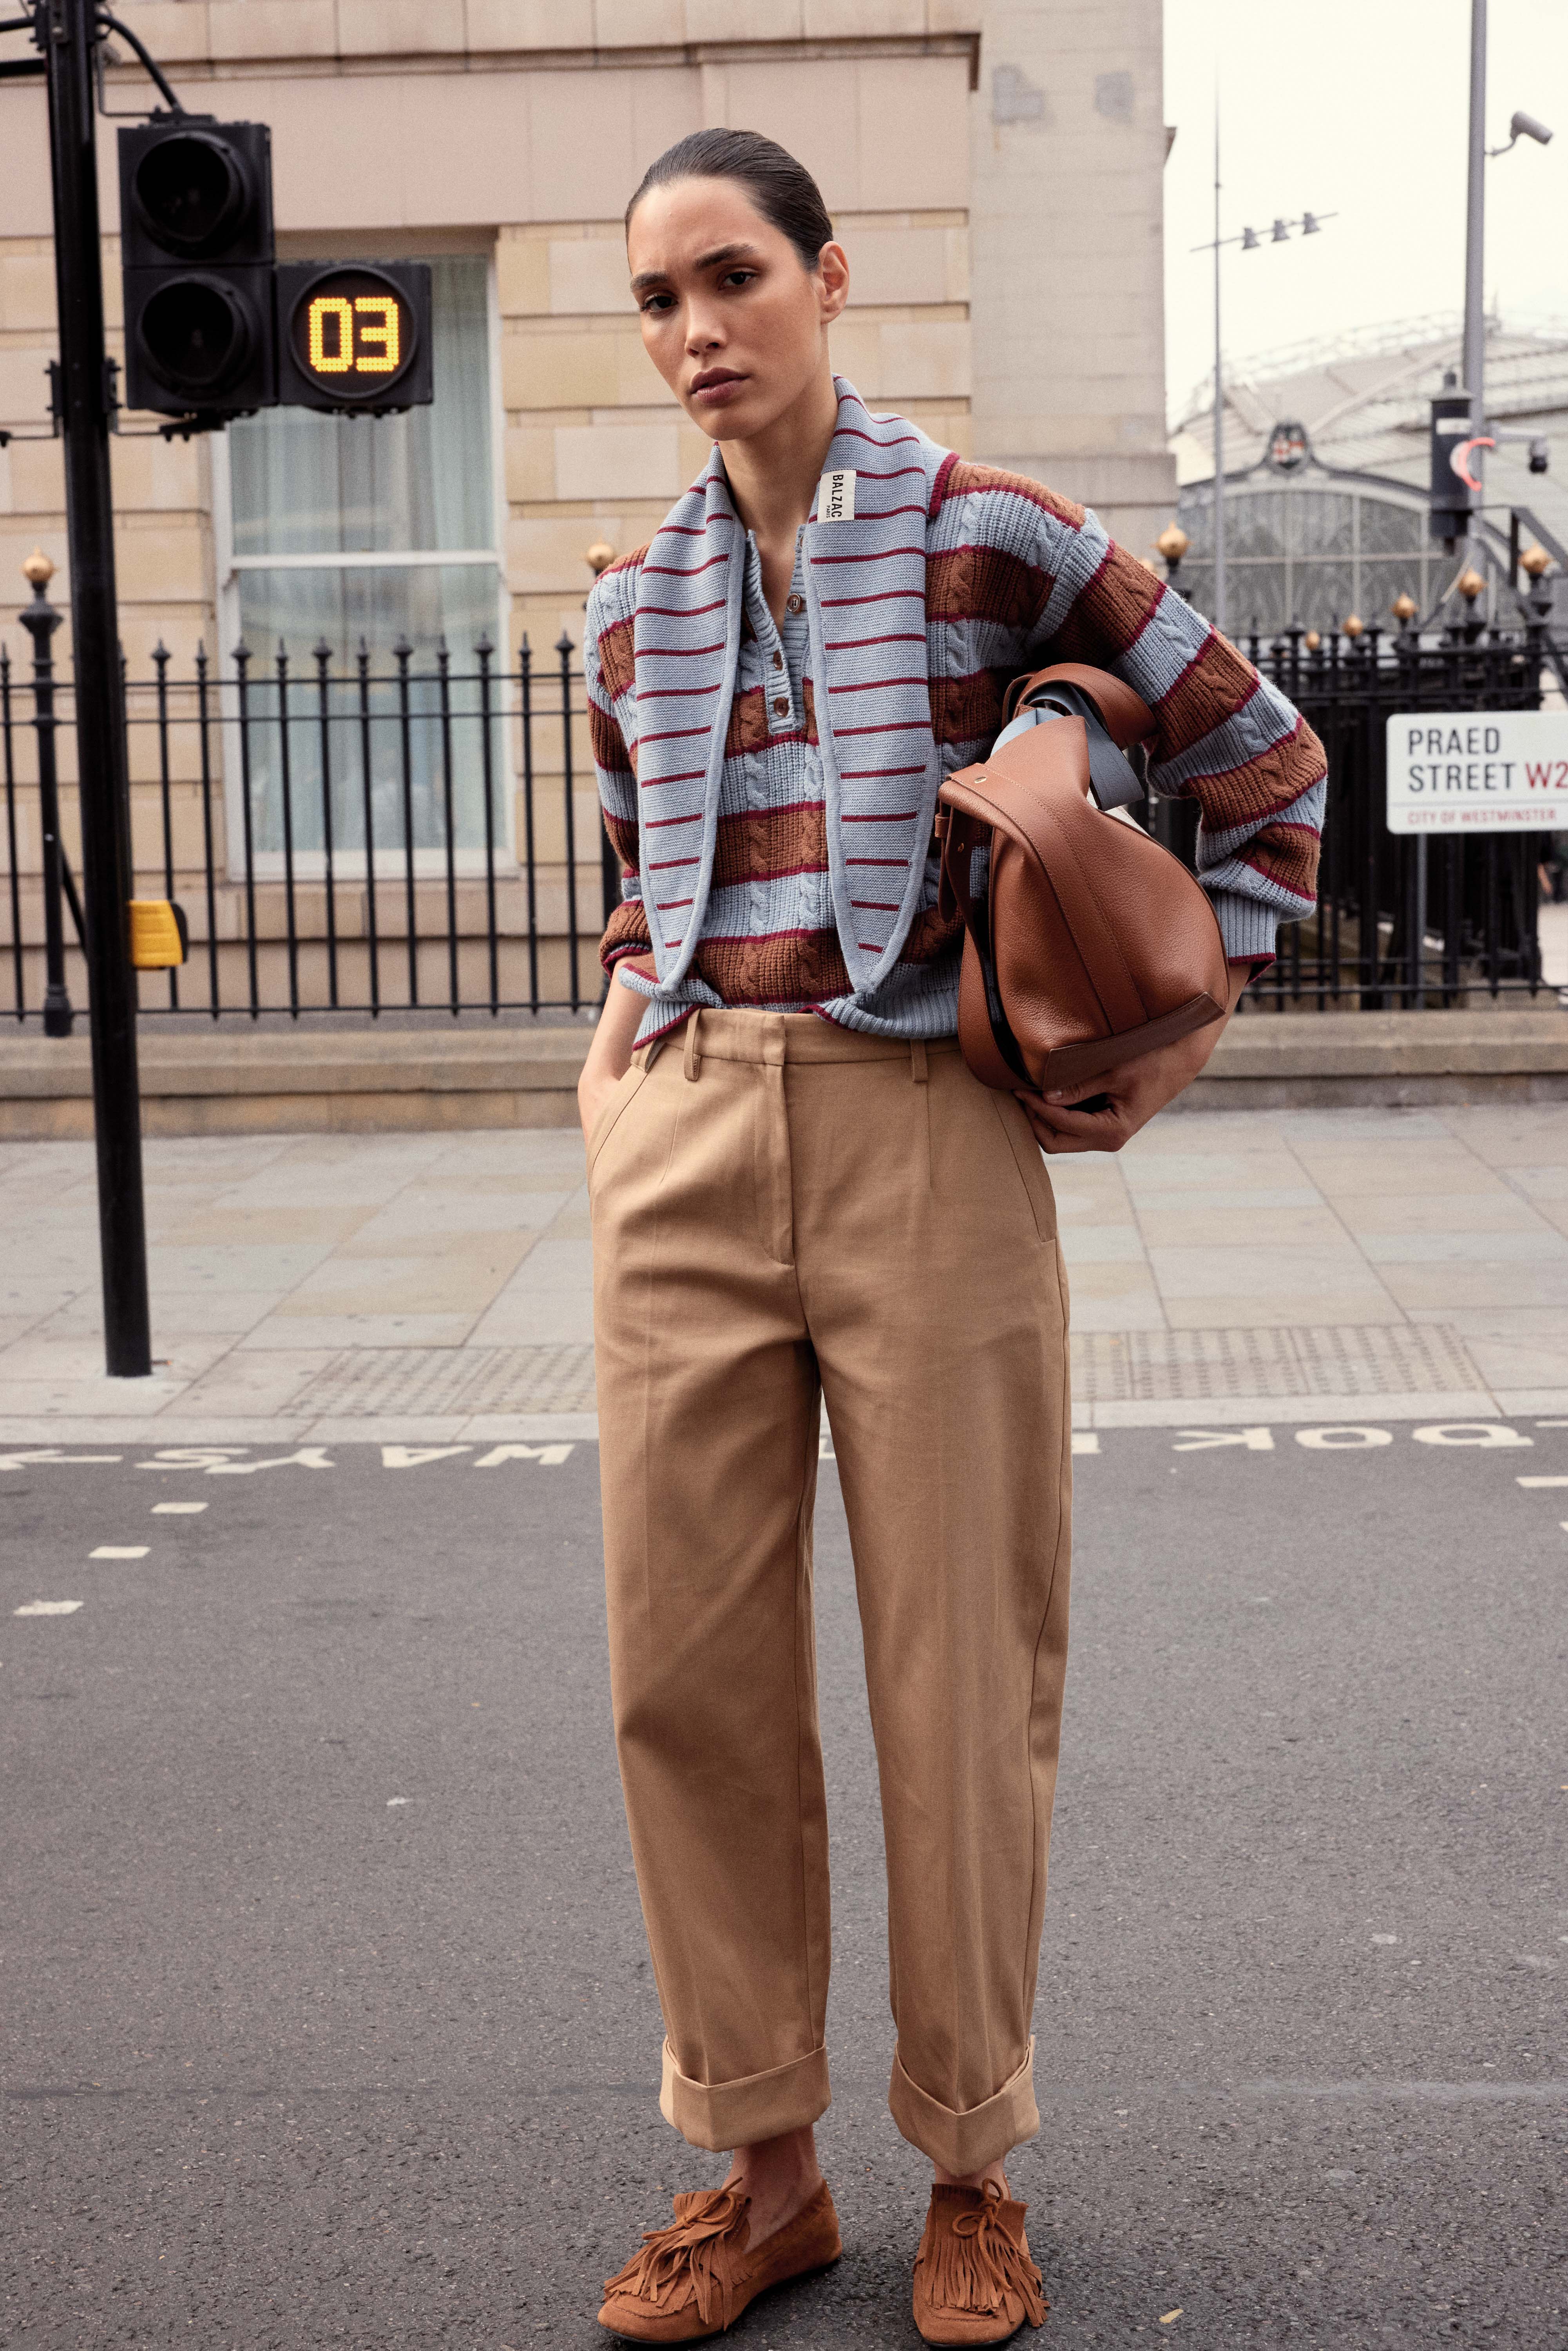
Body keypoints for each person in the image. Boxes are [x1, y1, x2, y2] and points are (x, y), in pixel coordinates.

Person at [578, 129, 1325, 2346]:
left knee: (956, 1679)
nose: (694, 329)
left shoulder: (991, 532)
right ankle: (762, 2165)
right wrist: (611, 1053)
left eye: (730, 277)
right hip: (694, 1132)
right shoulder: (626, 598)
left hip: (930, 1130)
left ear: (827, 277)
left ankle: (969, 2164)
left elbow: (1262, 757)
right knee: (679, 1681)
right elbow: (645, 874)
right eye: (655, 299)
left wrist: (1152, 1038)